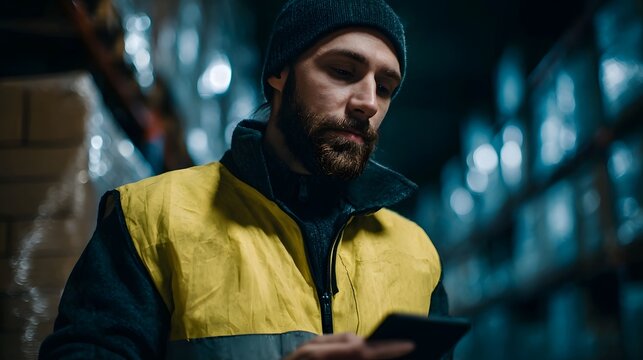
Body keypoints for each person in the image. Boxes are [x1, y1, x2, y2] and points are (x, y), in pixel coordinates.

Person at [40, 0, 449, 358]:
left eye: (385, 87)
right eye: (342, 71)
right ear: (279, 74)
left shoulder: (416, 255)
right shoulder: (149, 221)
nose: (367, 103)